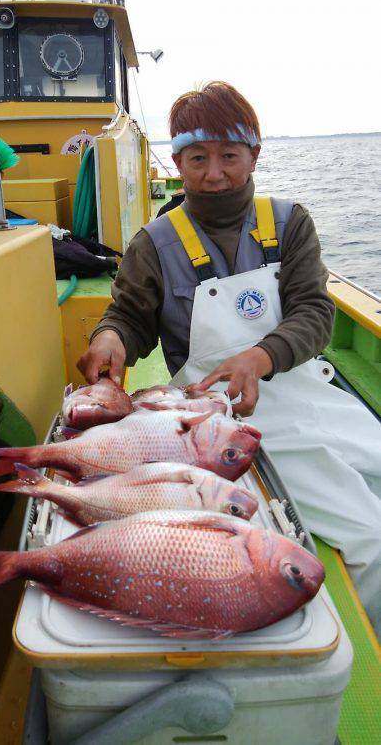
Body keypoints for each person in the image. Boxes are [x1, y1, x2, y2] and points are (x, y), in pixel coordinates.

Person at [78, 81, 381, 635]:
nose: (213, 172)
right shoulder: (152, 243)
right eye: (198, 158)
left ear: (255, 154)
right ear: (178, 160)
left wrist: (262, 357)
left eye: (229, 156)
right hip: (218, 423)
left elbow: (315, 313)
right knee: (371, 536)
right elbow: (129, 317)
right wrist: (111, 340)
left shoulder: (291, 223)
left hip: (307, 392)